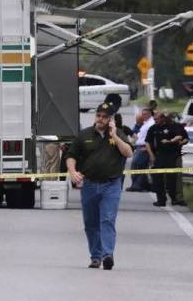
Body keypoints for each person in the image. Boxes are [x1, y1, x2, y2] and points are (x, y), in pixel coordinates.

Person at [66, 102, 133, 270]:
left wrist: (115, 136)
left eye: (104, 117)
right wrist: (72, 171)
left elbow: (128, 153)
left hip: (111, 185)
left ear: (110, 119)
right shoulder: (84, 135)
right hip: (89, 184)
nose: (100, 119)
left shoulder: (118, 134)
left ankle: (107, 254)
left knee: (107, 219)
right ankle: (96, 257)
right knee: (91, 223)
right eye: (98, 116)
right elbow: (71, 155)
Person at [145, 113, 181, 206]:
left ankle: (174, 198)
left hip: (170, 156)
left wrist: (170, 141)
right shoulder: (153, 128)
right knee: (157, 179)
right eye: (154, 119)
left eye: (157, 119)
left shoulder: (171, 127)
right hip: (158, 156)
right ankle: (161, 200)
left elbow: (179, 136)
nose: (155, 121)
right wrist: (151, 155)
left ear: (162, 118)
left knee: (171, 179)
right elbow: (147, 142)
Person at [126, 108, 155, 192]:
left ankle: (137, 185)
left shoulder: (151, 124)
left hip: (144, 147)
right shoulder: (146, 123)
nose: (143, 116)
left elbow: (151, 137)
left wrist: (147, 147)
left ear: (149, 114)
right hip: (139, 146)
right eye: (142, 114)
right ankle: (142, 185)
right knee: (139, 166)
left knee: (137, 165)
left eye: (145, 114)